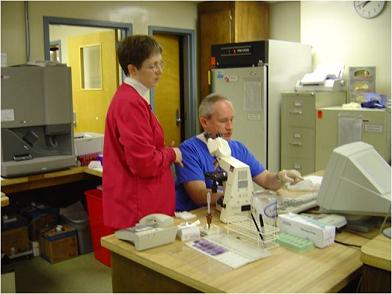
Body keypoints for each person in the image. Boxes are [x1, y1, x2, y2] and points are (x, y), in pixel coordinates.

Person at [102, 35, 183, 229]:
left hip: (144, 205)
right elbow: (144, 163)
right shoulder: (130, 103)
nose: (160, 71)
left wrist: (162, 152)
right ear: (132, 69)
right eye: (152, 66)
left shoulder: (135, 99)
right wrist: (172, 153)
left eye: (160, 64)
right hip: (138, 210)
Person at [175, 93, 302, 211]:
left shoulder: (237, 148)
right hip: (198, 217)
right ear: (204, 122)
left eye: (232, 120)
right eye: (223, 121)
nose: (230, 127)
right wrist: (234, 195)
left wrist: (281, 177)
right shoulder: (189, 150)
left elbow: (266, 180)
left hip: (228, 211)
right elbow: (199, 195)